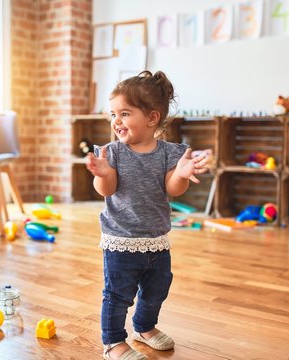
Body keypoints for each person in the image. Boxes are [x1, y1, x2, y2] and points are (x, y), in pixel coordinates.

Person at [86, 70, 210, 360]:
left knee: (157, 288)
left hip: (156, 239)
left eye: (125, 113)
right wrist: (102, 175)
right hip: (121, 239)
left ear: (152, 118)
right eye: (113, 114)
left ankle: (144, 327)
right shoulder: (112, 153)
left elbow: (173, 190)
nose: (116, 121)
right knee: (118, 294)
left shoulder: (170, 153)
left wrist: (180, 173)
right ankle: (113, 342)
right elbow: (107, 188)